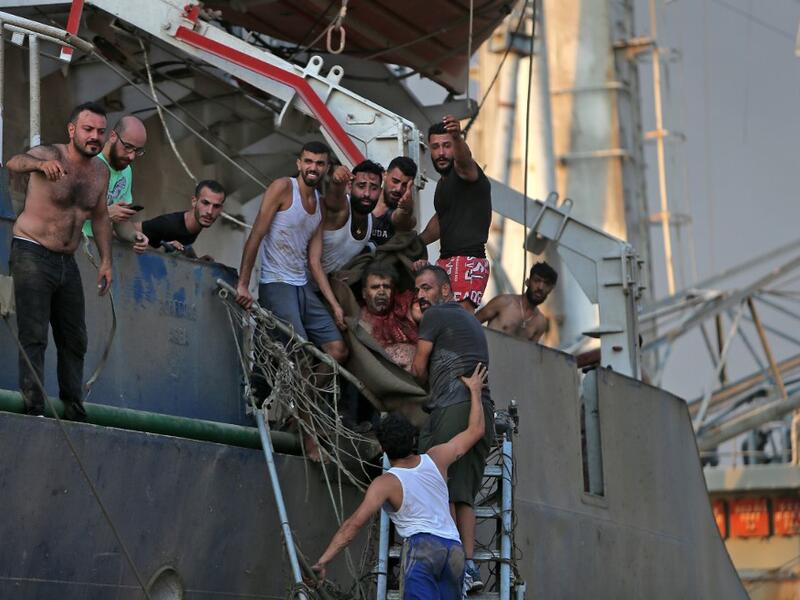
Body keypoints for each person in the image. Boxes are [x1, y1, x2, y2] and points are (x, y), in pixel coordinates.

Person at [311, 364, 488, 599]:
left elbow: (352, 526)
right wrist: (475, 391)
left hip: (423, 549)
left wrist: (323, 561)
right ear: (413, 439)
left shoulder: (386, 483)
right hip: (454, 550)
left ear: (383, 448)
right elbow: (476, 430)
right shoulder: (437, 457)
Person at [234, 141, 349, 460]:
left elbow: (314, 262)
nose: (314, 168)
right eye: (308, 162)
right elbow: (256, 233)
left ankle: (301, 407)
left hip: (302, 285)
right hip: (276, 282)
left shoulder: (321, 205)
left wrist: (334, 305)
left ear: (327, 167)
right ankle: (310, 438)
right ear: (299, 163)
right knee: (298, 349)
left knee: (337, 350)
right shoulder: (283, 188)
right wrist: (244, 283)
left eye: (320, 163)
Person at [6, 102, 113, 420]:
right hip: (31, 250)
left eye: (100, 131)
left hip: (67, 261)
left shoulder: (100, 172)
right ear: (72, 130)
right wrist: (38, 167)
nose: (94, 136)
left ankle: (72, 404)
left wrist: (107, 261)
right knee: (34, 333)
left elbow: (102, 216)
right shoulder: (50, 154)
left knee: (75, 337)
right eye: (88, 129)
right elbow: (13, 162)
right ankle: (34, 405)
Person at [411, 265, 495, 594]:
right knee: (464, 495)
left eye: (427, 288)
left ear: (446, 291)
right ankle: (469, 565)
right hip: (480, 409)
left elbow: (419, 368)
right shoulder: (470, 321)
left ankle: (449, 562)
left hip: (451, 407)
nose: (421, 296)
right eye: (417, 290)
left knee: (438, 484)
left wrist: (418, 328)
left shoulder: (434, 317)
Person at [419, 116, 492, 311]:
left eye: (446, 145)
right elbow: (442, 219)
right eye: (435, 147)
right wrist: (417, 242)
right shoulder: (443, 183)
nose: (441, 152)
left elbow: (464, 159)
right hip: (444, 261)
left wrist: (457, 138)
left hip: (468, 261)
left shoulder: (465, 171)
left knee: (458, 322)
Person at [81, 114, 149, 253]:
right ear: (112, 136)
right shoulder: (87, 164)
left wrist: (134, 236)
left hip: (99, 249)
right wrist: (105, 213)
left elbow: (119, 220)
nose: (131, 156)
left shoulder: (126, 171)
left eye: (138, 151)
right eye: (127, 147)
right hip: (73, 245)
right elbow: (64, 211)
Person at [320, 160, 383, 274]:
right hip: (302, 281)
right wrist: (336, 183)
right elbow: (333, 202)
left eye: (373, 188)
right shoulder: (342, 208)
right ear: (350, 186)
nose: (367, 193)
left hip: (332, 285)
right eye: (361, 186)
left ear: (380, 191)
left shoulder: (371, 218)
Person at [140, 179, 226, 259]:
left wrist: (196, 261)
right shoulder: (169, 224)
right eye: (205, 203)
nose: (210, 211)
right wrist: (160, 251)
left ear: (221, 209)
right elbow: (130, 229)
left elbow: (181, 248)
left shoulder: (198, 222)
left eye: (216, 206)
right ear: (194, 202)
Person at [359, 262, 421, 371]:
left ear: (394, 291)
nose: (381, 291)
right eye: (375, 287)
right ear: (364, 293)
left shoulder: (407, 305)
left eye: (386, 287)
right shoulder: (361, 322)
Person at [477, 261, 558, 342]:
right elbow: (470, 324)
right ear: (527, 282)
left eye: (546, 284)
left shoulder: (540, 323)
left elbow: (530, 353)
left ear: (551, 289)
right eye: (537, 280)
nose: (540, 287)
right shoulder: (503, 302)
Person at [370, 156, 417, 246]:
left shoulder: (405, 213)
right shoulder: (366, 199)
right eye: (395, 181)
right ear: (385, 175)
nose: (398, 189)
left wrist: (405, 209)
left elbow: (401, 219)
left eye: (404, 185)